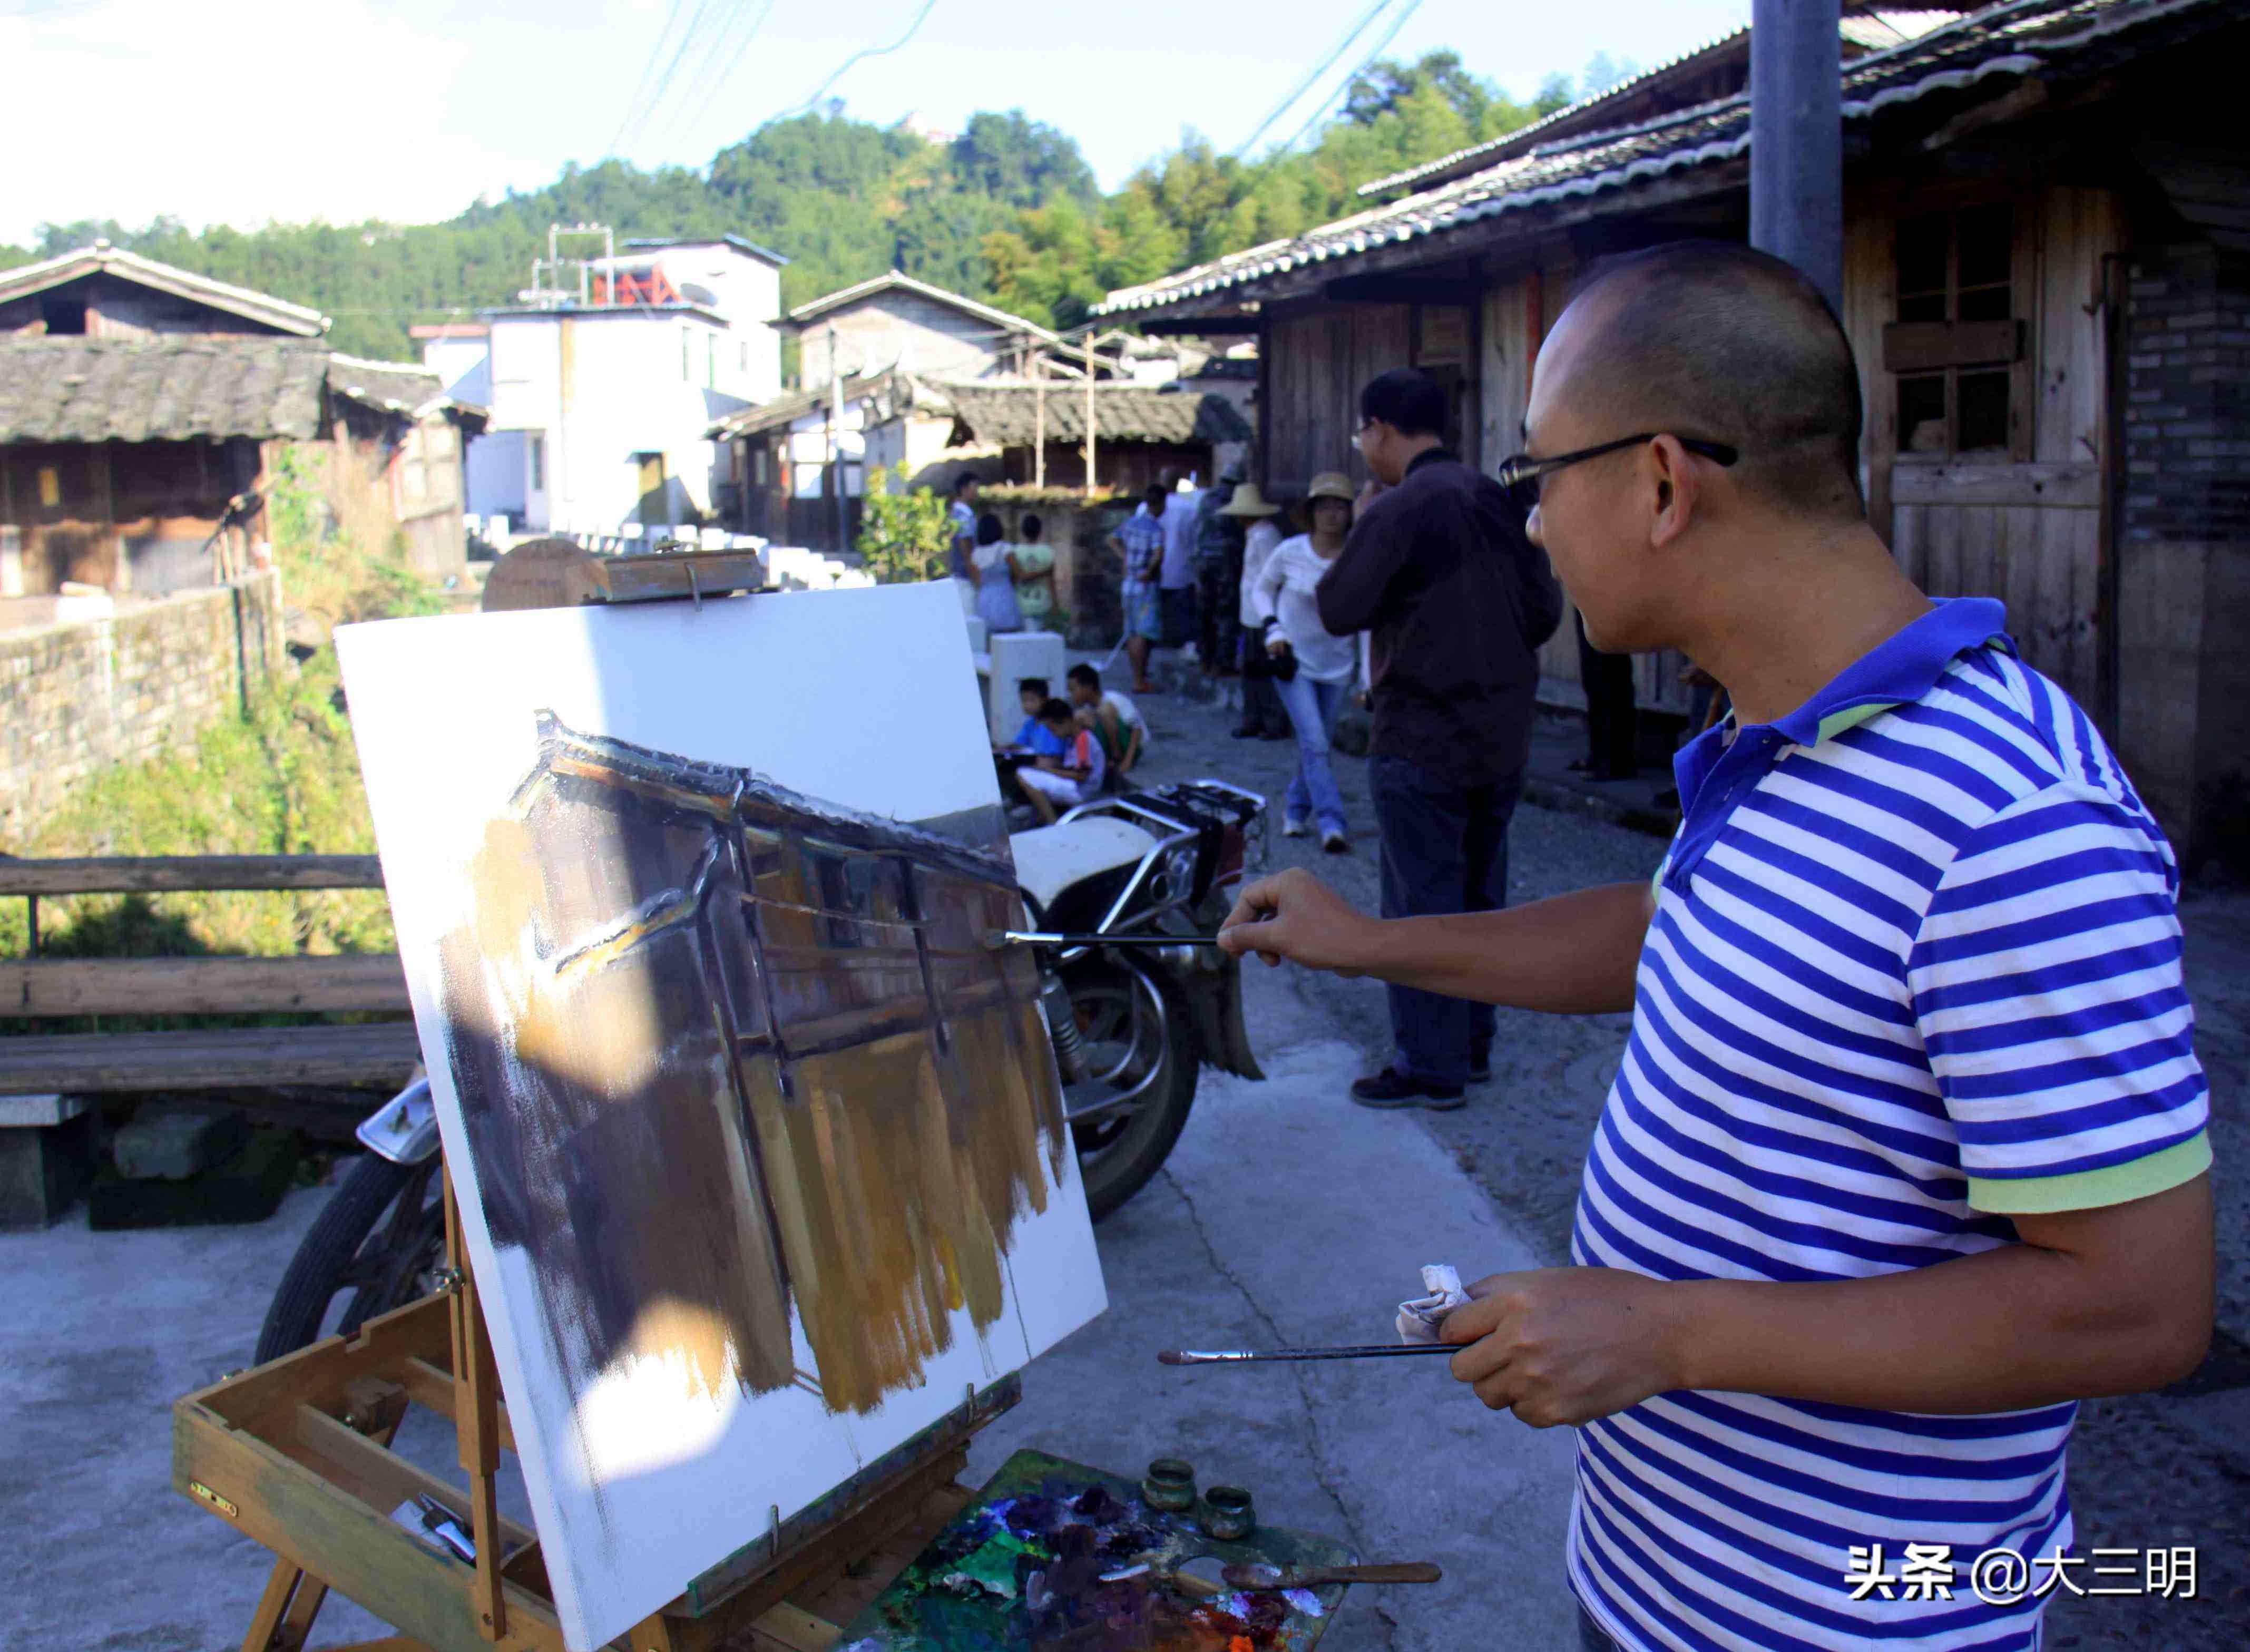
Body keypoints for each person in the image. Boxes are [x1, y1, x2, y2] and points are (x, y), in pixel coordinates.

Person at [1219, 241, 2214, 1652]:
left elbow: (2134, 1308)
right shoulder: (1768, 735)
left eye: (1541, 478)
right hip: (1657, 1585)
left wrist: (1668, 1331)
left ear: (1660, 481)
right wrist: (1368, 941)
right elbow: (1671, 937)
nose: (1535, 529)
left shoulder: (2008, 818)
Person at [1315, 367, 1562, 1108]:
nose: (1363, 446)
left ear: (1382, 429)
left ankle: (1431, 1065)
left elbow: (1338, 605)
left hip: (1421, 731)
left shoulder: (1400, 506)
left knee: (1421, 903)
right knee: (1481, 895)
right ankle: (1471, 1045)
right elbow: (1544, 610)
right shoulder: (1495, 497)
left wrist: (1363, 528)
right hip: (1501, 731)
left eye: (1364, 433)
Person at [1251, 471, 1359, 853]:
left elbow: (1365, 619)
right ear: (1311, 513)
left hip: (1337, 664)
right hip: (1293, 662)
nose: (1332, 515)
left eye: (1340, 507)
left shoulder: (1357, 557)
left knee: (1318, 745)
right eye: (1324, 507)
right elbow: (1261, 589)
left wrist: (1368, 680)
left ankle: (1295, 811)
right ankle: (1333, 823)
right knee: (1315, 743)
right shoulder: (1291, 551)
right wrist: (1273, 629)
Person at [1225, 482, 1290, 740]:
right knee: (1251, 671)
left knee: (1266, 672)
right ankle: (1253, 719)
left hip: (1263, 614)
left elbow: (1273, 578)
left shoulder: (1266, 536)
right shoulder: (1255, 533)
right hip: (1249, 613)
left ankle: (1273, 722)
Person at [1110, 482, 1168, 692]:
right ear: (1161, 504)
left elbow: (1112, 539)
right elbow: (1158, 554)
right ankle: (1139, 680)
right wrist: (1149, 571)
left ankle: (1138, 678)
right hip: (1145, 586)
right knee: (1142, 634)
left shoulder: (1131, 523)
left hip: (1128, 585)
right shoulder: (1156, 529)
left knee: (1132, 632)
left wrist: (1125, 558)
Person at [1012, 697, 1104, 824]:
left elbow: (1081, 775)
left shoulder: (1083, 739)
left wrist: (1048, 770)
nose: (1053, 734)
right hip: (1076, 786)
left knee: (1025, 775)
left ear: (1066, 722)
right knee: (1029, 772)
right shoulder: (1072, 738)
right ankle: (1045, 815)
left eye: (1053, 730)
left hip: (1083, 790)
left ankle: (1053, 822)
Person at [1572, 608, 1638, 780]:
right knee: (1594, 681)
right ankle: (1599, 755)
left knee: (1610, 680)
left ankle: (1616, 761)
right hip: (1587, 599)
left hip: (1607, 602)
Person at [1194, 470, 1246, 681]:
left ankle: (1205, 660)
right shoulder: (1237, 499)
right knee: (1227, 612)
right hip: (1227, 562)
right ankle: (1223, 664)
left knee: (1204, 612)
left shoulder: (1207, 499)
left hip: (1203, 561)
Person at [1066, 662, 1146, 780]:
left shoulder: (1114, 699)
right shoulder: (1087, 708)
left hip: (1129, 747)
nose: (1071, 695)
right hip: (1109, 745)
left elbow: (1137, 729)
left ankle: (1116, 758)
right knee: (1079, 717)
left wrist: (1128, 761)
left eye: (1073, 690)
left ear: (1088, 687)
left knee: (1104, 711)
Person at [1155, 467, 1202, 653]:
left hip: (1154, 571)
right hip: (1182, 569)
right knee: (1184, 615)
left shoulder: (1147, 506)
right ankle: (1186, 646)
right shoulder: (1189, 509)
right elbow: (1195, 539)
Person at [970, 513, 1023, 635]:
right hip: (1004, 596)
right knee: (1010, 639)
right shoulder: (1005, 549)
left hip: (984, 600)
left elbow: (977, 582)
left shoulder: (976, 554)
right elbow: (1018, 573)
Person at [1012, 513, 1057, 631]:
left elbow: (1013, 580)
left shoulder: (1015, 552)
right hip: (1042, 603)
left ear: (1022, 531)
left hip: (1021, 604)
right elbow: (1051, 581)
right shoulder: (1048, 552)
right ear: (1040, 531)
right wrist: (1056, 604)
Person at [1006, 677, 1068, 757]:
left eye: (1032, 700)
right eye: (1024, 700)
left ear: (1045, 700)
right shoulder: (1030, 724)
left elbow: (1055, 755)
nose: (1027, 705)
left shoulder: (1053, 723)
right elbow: (1018, 745)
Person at [947, 472, 981, 614]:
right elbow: (965, 547)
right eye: (975, 487)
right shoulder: (962, 516)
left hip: (961, 576)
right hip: (965, 578)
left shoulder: (958, 513)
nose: (977, 491)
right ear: (964, 490)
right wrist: (976, 577)